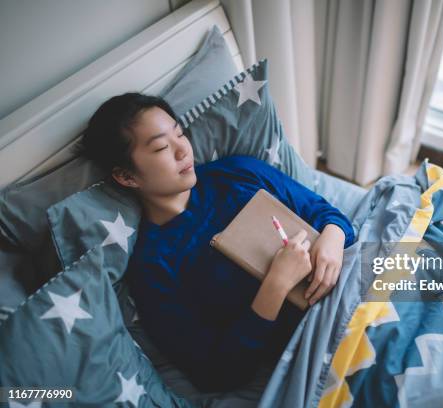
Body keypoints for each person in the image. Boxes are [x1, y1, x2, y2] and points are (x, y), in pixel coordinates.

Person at [75, 93, 356, 392]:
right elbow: (217, 374)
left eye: (180, 133)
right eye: (161, 147)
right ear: (127, 176)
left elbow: (327, 215)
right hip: (326, 341)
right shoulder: (153, 264)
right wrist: (276, 285)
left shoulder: (239, 172)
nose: (183, 150)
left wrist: (332, 239)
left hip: (359, 282)